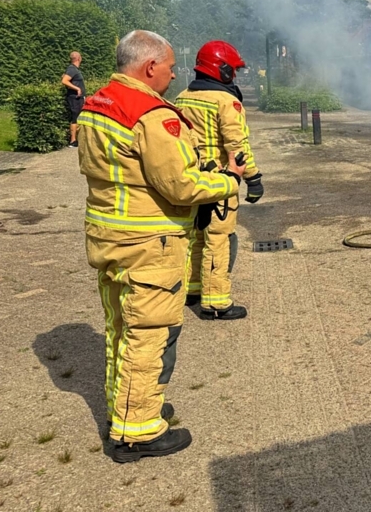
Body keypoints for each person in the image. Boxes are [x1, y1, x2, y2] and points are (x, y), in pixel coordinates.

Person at [77, 30, 245, 463]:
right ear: (150, 66)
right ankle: (138, 430)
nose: (173, 75)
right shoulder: (150, 115)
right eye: (169, 67)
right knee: (151, 333)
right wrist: (228, 181)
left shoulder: (98, 104)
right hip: (150, 244)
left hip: (109, 237)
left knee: (121, 330)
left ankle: (128, 409)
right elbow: (180, 185)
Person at [176, 41, 263, 320]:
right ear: (222, 70)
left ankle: (192, 289)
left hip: (192, 177)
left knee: (195, 236)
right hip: (220, 181)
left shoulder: (182, 97)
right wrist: (253, 177)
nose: (234, 75)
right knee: (218, 238)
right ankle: (215, 304)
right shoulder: (226, 102)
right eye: (233, 70)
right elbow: (237, 146)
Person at [62, 51, 85, 147]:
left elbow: (65, 78)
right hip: (75, 98)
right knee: (75, 117)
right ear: (79, 58)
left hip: (78, 98)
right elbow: (64, 80)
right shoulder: (72, 69)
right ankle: (73, 141)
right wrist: (77, 88)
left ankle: (77, 139)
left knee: (78, 117)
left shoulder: (74, 69)